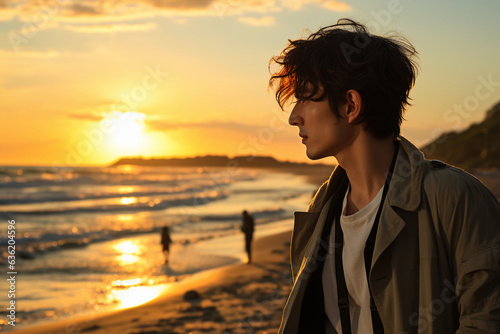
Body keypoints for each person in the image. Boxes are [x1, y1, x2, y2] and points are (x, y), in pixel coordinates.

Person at [268, 19, 500, 333]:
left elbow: (486, 318)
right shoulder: (322, 207)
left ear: (351, 105)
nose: (295, 117)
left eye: (307, 97)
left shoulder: (455, 197)